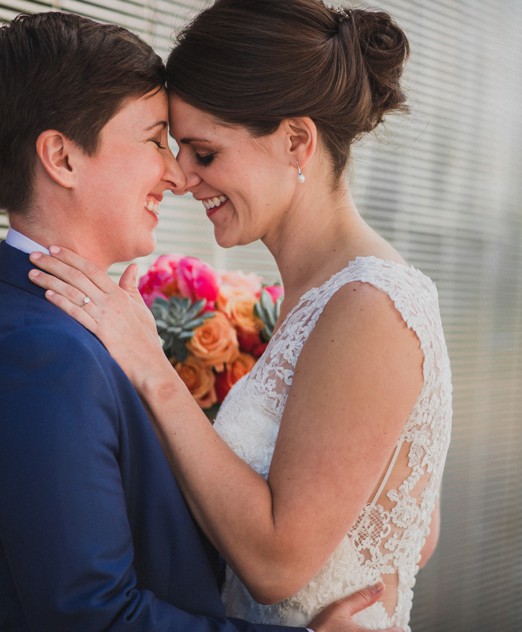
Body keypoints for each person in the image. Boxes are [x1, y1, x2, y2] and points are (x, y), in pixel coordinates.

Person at [30, 0, 453, 629]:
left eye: (205, 153)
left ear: (295, 142)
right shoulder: (315, 298)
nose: (183, 177)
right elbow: (416, 529)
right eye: (173, 148)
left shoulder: (370, 306)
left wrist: (152, 367)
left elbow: (277, 566)